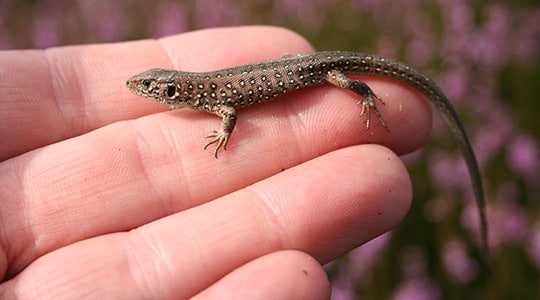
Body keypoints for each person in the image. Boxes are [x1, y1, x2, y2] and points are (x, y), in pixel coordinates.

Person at [0, 26, 430, 299]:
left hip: (321, 70)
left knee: (338, 80)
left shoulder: (215, 99)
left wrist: (225, 133)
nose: (144, 89)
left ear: (172, 91)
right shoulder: (200, 93)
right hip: (300, 69)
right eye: (149, 85)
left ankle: (369, 93)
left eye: (151, 87)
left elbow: (231, 113)